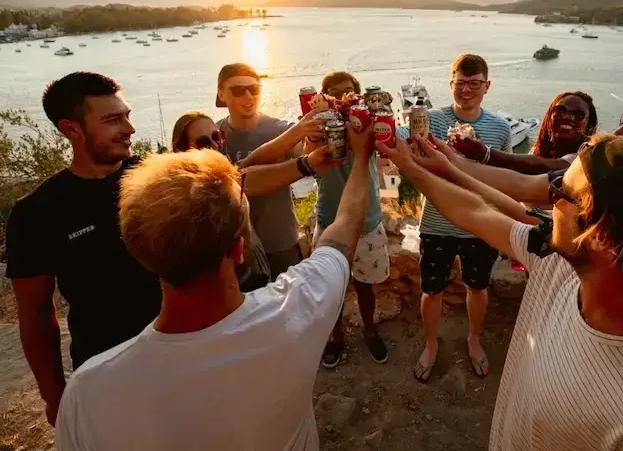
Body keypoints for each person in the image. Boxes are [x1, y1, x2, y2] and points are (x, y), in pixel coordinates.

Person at [378, 134, 623, 450]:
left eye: (558, 192)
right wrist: (415, 167)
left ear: (601, 234)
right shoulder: (561, 263)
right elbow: (480, 211)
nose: (549, 200)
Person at [55, 122, 375, 451]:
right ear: (238, 249)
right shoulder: (297, 310)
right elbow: (345, 226)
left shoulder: (89, 392)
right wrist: (361, 157)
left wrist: (304, 161)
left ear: (140, 252)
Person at [5, 72, 162, 426]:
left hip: (185, 352)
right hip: (106, 374)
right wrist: (54, 395)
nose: (129, 129)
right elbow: (35, 313)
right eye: (112, 120)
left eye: (127, 115)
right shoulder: (37, 212)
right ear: (71, 129)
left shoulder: (156, 176)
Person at [440, 78, 623, 209]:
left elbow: (528, 180)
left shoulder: (601, 170)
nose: (616, 131)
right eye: (560, 111)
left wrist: (453, 160)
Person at [399, 53, 512, 382]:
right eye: (460, 83)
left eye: (474, 83)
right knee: (431, 289)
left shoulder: (500, 128)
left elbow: (503, 176)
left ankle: (473, 339)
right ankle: (431, 344)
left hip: (480, 224)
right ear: (451, 84)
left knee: (477, 287)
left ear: (486, 86)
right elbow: (411, 154)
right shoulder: (429, 119)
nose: (466, 90)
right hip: (436, 222)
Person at [171, 110, 332, 290]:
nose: (215, 145)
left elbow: (250, 162)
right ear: (181, 150)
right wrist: (307, 164)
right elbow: (244, 180)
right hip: (237, 284)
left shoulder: (214, 172)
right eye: (203, 142)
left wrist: (298, 132)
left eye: (217, 136)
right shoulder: (196, 187)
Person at [305, 71, 390, 368]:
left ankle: (369, 329)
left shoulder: (367, 123)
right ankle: (336, 337)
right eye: (335, 92)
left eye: (349, 91)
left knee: (365, 285)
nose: (343, 96)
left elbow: (389, 147)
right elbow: (307, 156)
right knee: (332, 287)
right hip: (330, 218)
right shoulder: (315, 125)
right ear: (324, 96)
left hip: (367, 218)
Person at [215, 62, 315, 278]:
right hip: (235, 249)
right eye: (238, 90)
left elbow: (306, 153)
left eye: (254, 89)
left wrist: (317, 127)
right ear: (221, 94)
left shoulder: (280, 129)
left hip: (281, 242)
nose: (248, 96)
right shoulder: (215, 135)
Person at [452, 90, 598, 174]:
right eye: (560, 110)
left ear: (589, 125)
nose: (567, 117)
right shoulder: (538, 151)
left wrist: (486, 154)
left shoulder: (585, 158)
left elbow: (546, 167)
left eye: (578, 115)